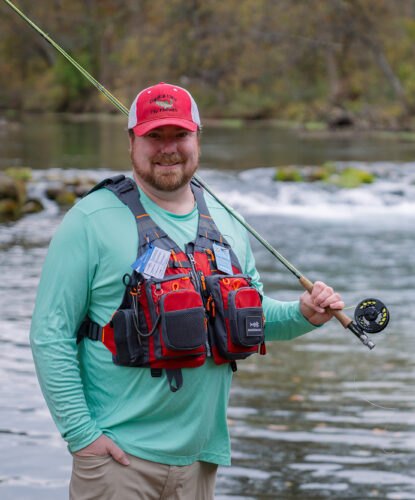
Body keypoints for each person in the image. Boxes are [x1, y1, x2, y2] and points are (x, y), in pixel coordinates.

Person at [30, 82, 344, 500]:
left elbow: (250, 320)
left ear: (198, 137)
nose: (167, 148)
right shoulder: (89, 221)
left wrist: (304, 314)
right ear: (131, 142)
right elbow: (49, 335)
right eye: (153, 136)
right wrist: (82, 437)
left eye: (179, 135)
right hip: (117, 464)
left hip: (200, 464)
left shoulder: (230, 223)